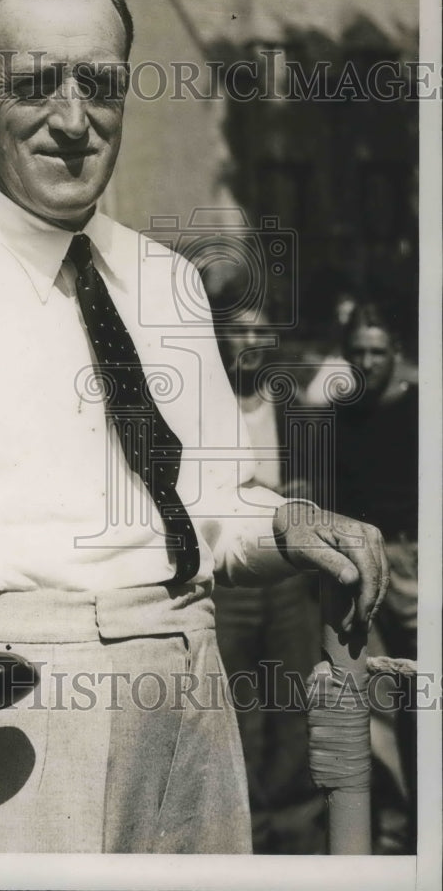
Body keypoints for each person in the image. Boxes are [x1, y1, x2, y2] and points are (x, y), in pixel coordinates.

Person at [0, 0, 388, 855]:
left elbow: (206, 515)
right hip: (12, 724)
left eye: (101, 83)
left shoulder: (169, 285)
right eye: (35, 84)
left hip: (191, 694)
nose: (73, 120)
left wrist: (287, 529)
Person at [211, 294, 324, 854]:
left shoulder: (289, 404)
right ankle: (248, 834)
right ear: (219, 337)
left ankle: (297, 833)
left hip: (286, 577)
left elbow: (323, 480)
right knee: (237, 709)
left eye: (260, 331)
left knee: (295, 701)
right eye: (240, 331)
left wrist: (304, 496)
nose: (252, 342)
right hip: (229, 583)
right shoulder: (205, 406)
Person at [331, 302, 418, 853]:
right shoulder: (342, 414)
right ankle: (404, 820)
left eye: (378, 351)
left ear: (398, 354)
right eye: (358, 351)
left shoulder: (420, 408)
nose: (367, 360)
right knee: (385, 693)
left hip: (414, 559)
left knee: (420, 689)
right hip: (364, 560)